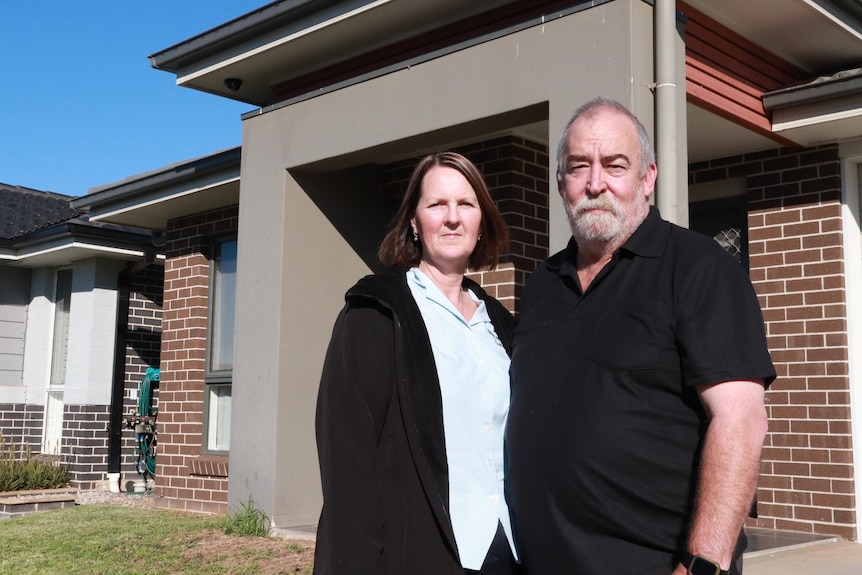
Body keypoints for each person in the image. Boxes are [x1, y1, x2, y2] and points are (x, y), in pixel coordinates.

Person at [506, 98, 776, 575]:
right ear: (561, 183)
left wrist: (701, 565)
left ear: (647, 177)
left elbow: (739, 421)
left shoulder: (697, 267)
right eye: (578, 167)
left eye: (614, 165)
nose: (595, 183)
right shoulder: (542, 284)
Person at [314, 151, 519, 575]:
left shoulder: (500, 325)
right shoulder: (375, 314)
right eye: (436, 204)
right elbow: (348, 462)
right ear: (413, 220)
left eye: (466, 204)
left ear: (482, 222)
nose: (452, 218)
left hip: (508, 550)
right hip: (420, 553)